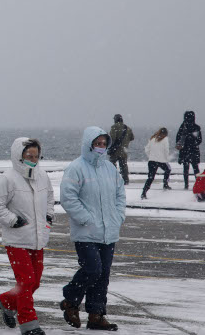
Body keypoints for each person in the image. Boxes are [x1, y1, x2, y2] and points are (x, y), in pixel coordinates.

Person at [59, 127, 125, 331]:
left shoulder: (110, 169)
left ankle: (96, 315)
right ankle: (70, 299)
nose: (101, 147)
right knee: (92, 269)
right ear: (89, 144)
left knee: (103, 274)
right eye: (98, 143)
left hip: (108, 232)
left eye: (104, 144)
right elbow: (68, 198)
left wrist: (118, 216)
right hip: (86, 232)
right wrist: (86, 219)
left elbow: (120, 195)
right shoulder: (76, 168)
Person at [0, 138, 54, 335]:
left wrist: (48, 218)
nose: (33, 160)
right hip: (16, 240)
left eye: (36, 156)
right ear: (19, 156)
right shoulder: (7, 179)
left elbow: (50, 199)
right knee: (26, 281)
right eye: (29, 156)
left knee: (34, 282)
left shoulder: (43, 176)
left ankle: (7, 301)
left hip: (38, 239)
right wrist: (13, 220)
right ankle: (28, 324)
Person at [141, 128, 172, 199]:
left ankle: (144, 193)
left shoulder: (153, 138)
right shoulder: (165, 139)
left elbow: (146, 149)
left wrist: (150, 156)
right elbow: (166, 150)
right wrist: (166, 159)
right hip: (161, 160)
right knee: (168, 169)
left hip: (152, 161)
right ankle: (165, 184)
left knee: (150, 178)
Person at [175, 111, 201, 189]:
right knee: (195, 168)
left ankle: (187, 185)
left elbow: (178, 140)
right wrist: (193, 141)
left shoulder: (182, 127)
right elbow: (199, 140)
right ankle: (197, 184)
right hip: (193, 150)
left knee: (187, 169)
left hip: (185, 151)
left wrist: (185, 142)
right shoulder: (196, 127)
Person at [107, 114, 133, 185]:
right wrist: (125, 143)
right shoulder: (128, 128)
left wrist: (110, 147)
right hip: (124, 151)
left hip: (115, 151)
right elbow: (132, 138)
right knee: (124, 166)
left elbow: (112, 139)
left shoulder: (114, 127)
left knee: (112, 165)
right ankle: (126, 180)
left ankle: (113, 180)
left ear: (115, 119)